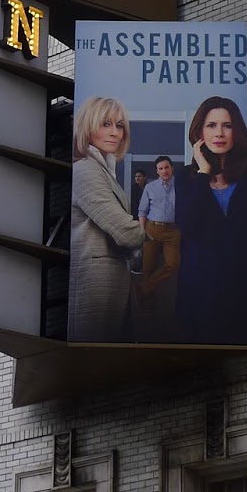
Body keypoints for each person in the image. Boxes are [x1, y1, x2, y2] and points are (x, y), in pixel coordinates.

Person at [68, 96, 148, 342]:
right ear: (86, 127)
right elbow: (126, 232)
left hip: (112, 281)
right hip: (95, 283)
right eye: (105, 124)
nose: (114, 133)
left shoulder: (104, 169)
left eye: (120, 125)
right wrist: (151, 234)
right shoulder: (85, 170)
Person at [175, 96, 247, 345]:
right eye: (211, 125)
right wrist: (203, 173)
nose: (219, 133)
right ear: (199, 132)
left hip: (241, 290)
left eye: (227, 125)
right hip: (199, 291)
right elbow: (186, 223)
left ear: (237, 131)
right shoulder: (186, 178)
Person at [136, 156, 180, 311]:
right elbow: (142, 211)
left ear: (172, 168)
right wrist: (142, 231)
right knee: (148, 266)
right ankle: (147, 300)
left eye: (166, 167)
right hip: (152, 228)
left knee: (173, 264)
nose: (164, 171)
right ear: (157, 171)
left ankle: (143, 287)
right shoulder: (150, 187)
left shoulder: (181, 186)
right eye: (160, 168)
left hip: (173, 230)